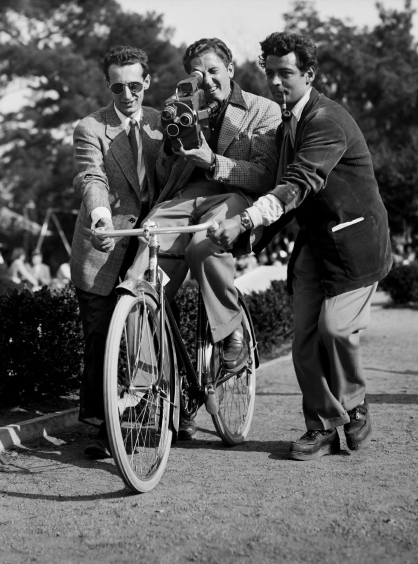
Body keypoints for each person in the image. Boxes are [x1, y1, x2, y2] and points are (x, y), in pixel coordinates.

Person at [209, 32, 392, 460]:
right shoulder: (287, 122)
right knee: (305, 342)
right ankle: (322, 426)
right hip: (314, 246)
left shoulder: (327, 120)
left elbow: (299, 184)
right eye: (269, 73)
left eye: (285, 73)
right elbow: (285, 195)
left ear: (308, 74)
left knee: (335, 329)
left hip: (356, 245)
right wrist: (246, 238)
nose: (275, 82)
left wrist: (245, 219)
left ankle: (355, 404)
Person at [123, 37, 281, 440]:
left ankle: (232, 337)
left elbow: (266, 176)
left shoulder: (264, 111)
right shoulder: (184, 107)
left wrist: (213, 161)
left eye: (213, 71)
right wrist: (171, 142)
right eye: (197, 74)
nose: (207, 80)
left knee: (205, 244)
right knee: (149, 247)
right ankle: (146, 386)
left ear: (230, 68)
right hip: (185, 200)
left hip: (235, 199)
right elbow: (164, 179)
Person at [70, 45, 164, 458]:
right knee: (100, 339)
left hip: (152, 245)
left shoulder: (167, 123)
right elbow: (92, 175)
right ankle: (98, 427)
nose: (126, 95)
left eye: (134, 85)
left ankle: (157, 416)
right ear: (108, 85)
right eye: (116, 86)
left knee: (151, 335)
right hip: (103, 245)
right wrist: (101, 218)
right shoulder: (90, 127)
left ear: (147, 82)